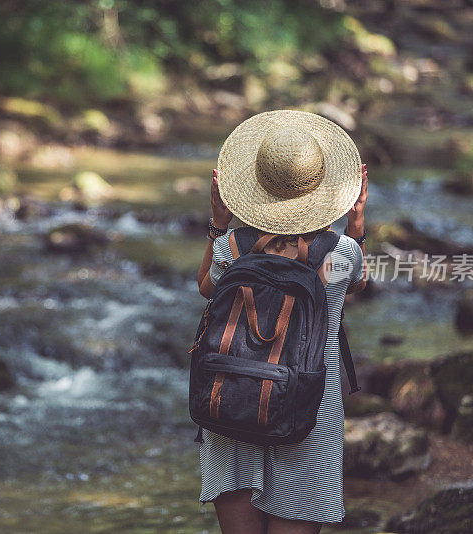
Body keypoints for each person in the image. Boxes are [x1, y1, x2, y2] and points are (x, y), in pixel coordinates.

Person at [194, 111, 368, 534]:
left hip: (232, 403)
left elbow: (205, 287)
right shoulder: (343, 255)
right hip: (307, 413)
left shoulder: (232, 247)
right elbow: (358, 286)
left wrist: (218, 223)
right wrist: (357, 220)